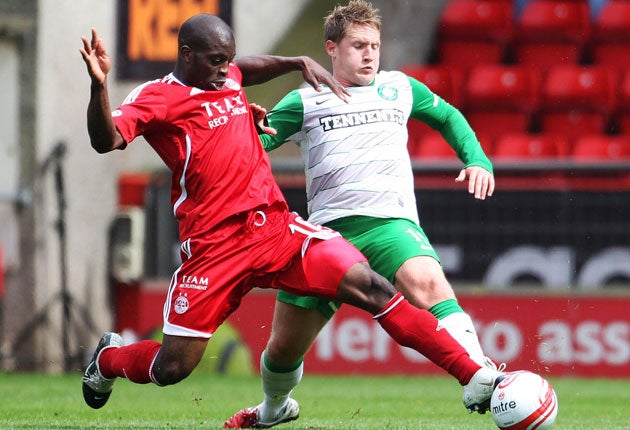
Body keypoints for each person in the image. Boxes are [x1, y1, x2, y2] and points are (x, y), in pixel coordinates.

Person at [78, 12, 504, 423]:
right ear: (187, 55)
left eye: (229, 59)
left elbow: (247, 68)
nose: (226, 70)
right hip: (214, 247)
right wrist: (99, 88)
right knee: (173, 368)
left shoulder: (228, 75)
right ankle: (109, 359)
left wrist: (293, 62)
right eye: (215, 61)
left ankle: (475, 377)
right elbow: (105, 139)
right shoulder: (158, 97)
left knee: (373, 287)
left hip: (275, 229)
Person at [224, 1, 502, 428]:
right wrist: (246, 127)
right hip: (326, 237)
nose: (370, 54)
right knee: (282, 350)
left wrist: (477, 159)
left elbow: (447, 116)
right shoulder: (304, 100)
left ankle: (481, 375)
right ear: (331, 48)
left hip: (390, 224)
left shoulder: (400, 87)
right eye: (358, 45)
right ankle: (273, 408)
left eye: (374, 45)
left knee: (427, 282)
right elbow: (250, 151)